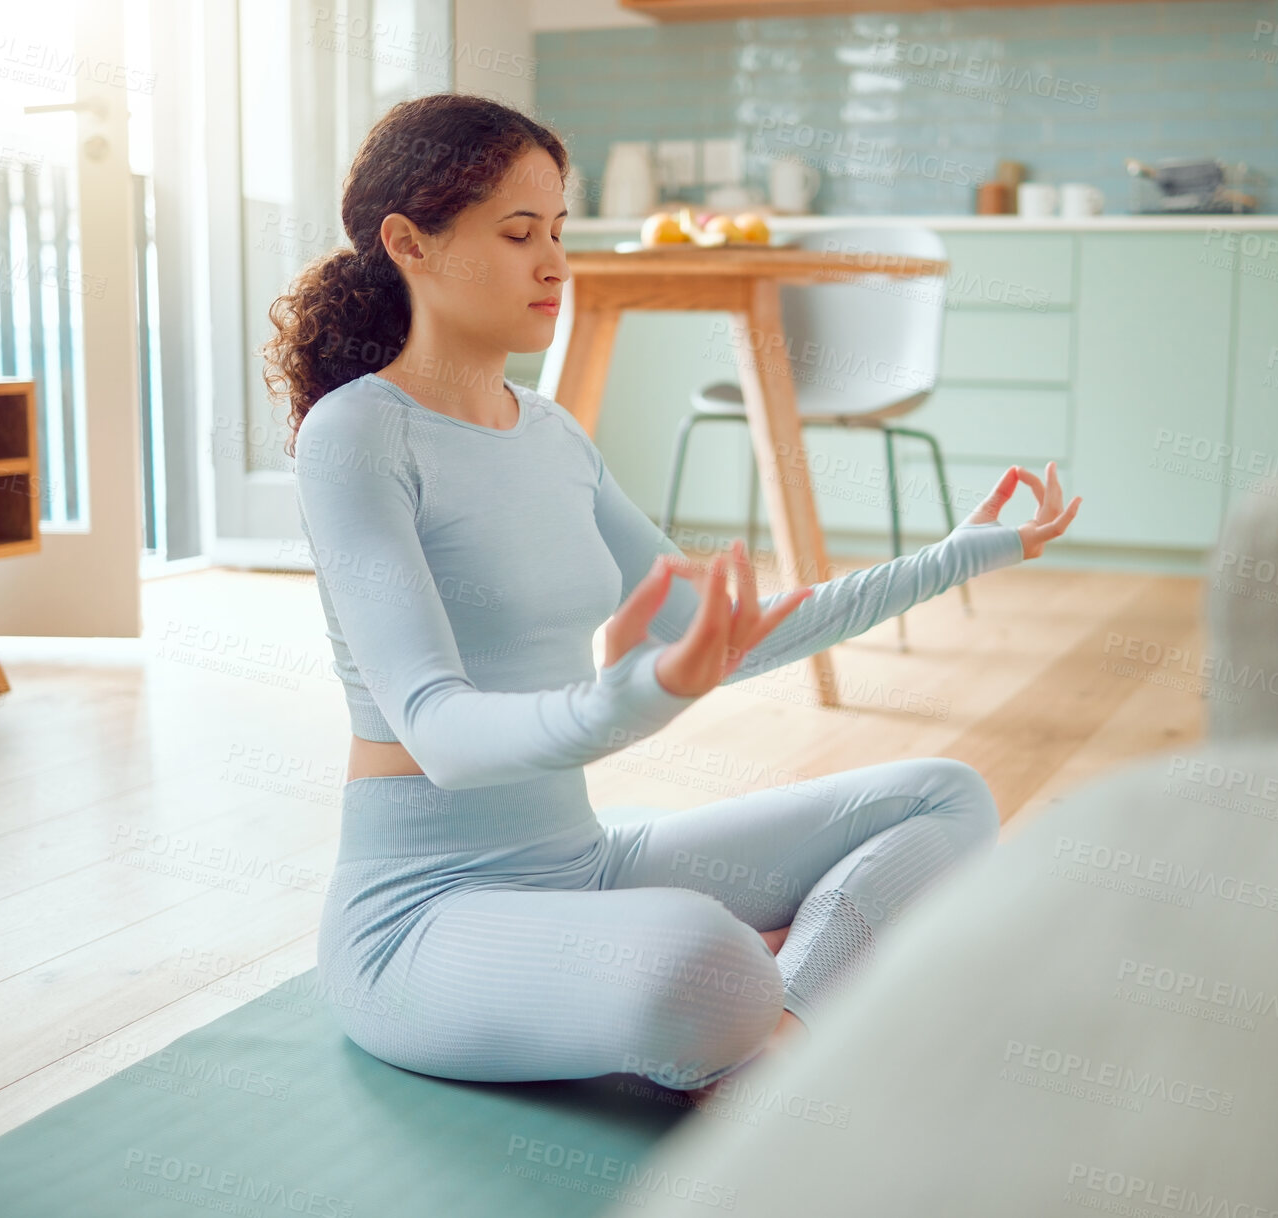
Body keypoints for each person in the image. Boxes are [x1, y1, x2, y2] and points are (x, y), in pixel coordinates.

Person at [262, 93, 1081, 1095]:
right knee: (702, 957)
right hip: (424, 916)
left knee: (943, 796)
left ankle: (774, 1038)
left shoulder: (553, 433)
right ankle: (778, 997)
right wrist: (633, 696)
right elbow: (441, 731)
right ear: (408, 245)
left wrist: (958, 553)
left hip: (583, 862)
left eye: (559, 230)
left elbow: (727, 634)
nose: (555, 262)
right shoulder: (355, 435)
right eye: (519, 234)